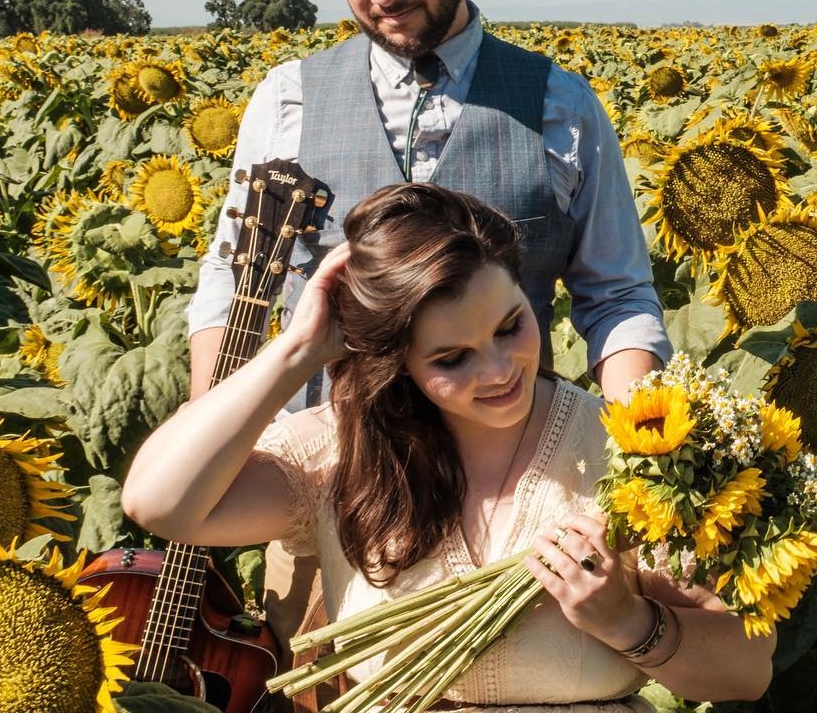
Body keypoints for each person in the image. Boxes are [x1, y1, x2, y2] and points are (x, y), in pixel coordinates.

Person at [124, 185, 773, 709]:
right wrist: (296, 352)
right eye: (452, 356)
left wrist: (627, 619)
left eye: (510, 324)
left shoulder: (618, 452)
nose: (497, 369)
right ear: (398, 364)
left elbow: (749, 665)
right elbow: (158, 502)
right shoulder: (339, 453)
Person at [187, 0, 669, 411]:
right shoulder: (287, 99)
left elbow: (616, 295)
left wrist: (645, 438)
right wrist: (208, 428)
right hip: (323, 462)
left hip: (505, 468)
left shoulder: (559, 104)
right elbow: (232, 277)